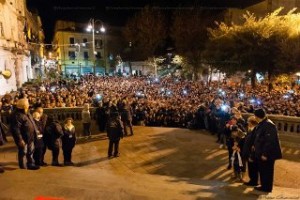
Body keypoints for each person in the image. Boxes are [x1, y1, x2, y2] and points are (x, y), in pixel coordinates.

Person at [253, 108, 282, 193]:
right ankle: (264, 185)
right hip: (262, 152)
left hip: (267, 154)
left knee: (267, 171)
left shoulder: (268, 125)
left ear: (257, 116)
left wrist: (265, 154)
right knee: (263, 170)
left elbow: (270, 141)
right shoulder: (264, 123)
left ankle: (266, 187)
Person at [10, 98, 40, 170]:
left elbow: (32, 122)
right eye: (27, 104)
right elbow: (16, 129)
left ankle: (30, 164)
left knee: (31, 151)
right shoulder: (17, 115)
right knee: (23, 152)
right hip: (23, 138)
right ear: (24, 106)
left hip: (30, 136)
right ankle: (23, 166)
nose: (29, 105)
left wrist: (36, 130)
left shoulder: (26, 112)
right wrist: (20, 139)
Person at [242, 116, 259, 186]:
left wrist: (251, 155)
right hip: (249, 152)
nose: (247, 123)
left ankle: (253, 181)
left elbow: (254, 144)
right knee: (251, 167)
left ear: (252, 123)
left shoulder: (255, 131)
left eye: (248, 121)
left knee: (253, 168)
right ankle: (252, 180)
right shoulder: (251, 129)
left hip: (252, 153)